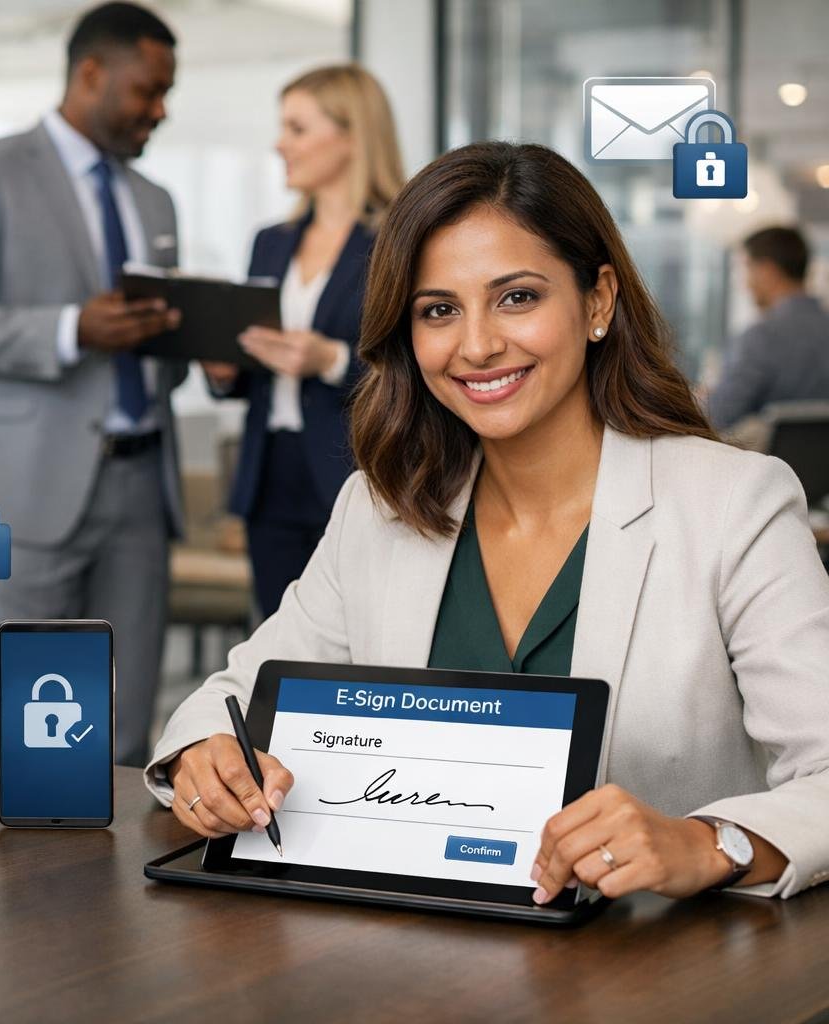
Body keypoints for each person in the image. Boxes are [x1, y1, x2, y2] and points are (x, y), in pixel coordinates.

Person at [146, 141, 829, 900]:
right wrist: (207, 754)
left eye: (517, 297)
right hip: (413, 970)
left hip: (652, 973)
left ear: (597, 301)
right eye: (439, 310)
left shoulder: (734, 504)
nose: (476, 345)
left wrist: (708, 843)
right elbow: (231, 700)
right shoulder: (380, 509)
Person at [0, 2, 186, 766]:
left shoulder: (154, 200)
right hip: (6, 494)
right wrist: (72, 328)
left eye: (167, 92)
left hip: (139, 491)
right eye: (147, 90)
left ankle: (117, 886)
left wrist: (197, 344)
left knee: (123, 727)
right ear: (90, 74)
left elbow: (159, 350)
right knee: (10, 720)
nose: (159, 110)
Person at [202, 64, 404, 618]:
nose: (279, 144)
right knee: (277, 643)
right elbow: (252, 366)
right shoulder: (271, 242)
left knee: (363, 642)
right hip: (271, 476)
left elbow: (420, 366)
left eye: (297, 128)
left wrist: (332, 359)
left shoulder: (397, 241)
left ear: (351, 135)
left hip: (356, 468)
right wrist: (226, 371)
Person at [707, 225, 829, 430]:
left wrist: (705, 399)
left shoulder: (760, 338)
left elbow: (717, 417)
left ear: (768, 271)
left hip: (774, 461)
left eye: (747, 268)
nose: (745, 284)